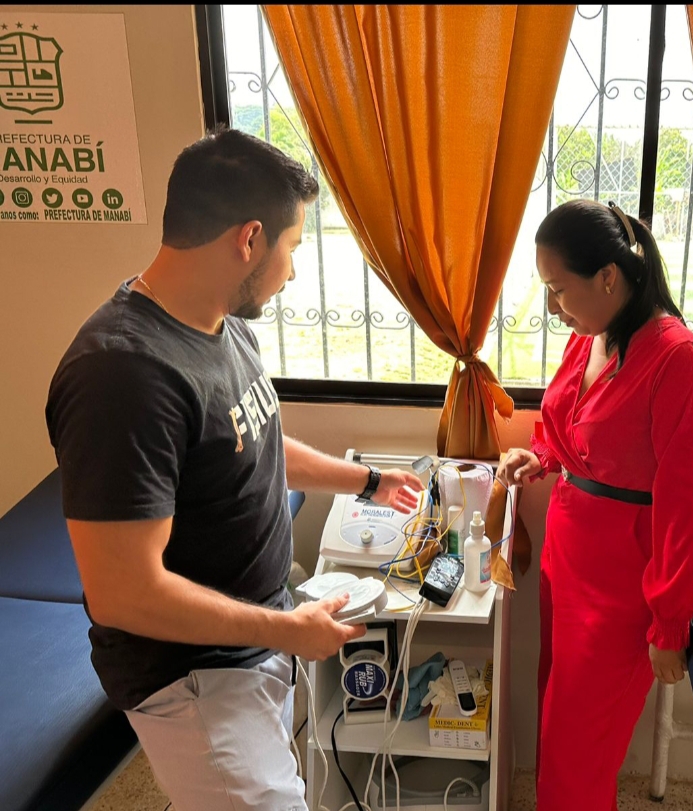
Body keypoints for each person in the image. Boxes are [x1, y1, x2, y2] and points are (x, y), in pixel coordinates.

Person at [45, 127, 423, 811]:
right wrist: (287, 630)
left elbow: (255, 443)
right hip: (193, 679)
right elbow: (124, 593)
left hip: (252, 637)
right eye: (293, 247)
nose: (293, 271)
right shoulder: (123, 374)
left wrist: (367, 481)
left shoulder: (223, 323)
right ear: (249, 239)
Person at [496, 199, 693, 811]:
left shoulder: (678, 360)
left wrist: (670, 622)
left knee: (578, 747)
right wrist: (540, 457)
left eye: (558, 289)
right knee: (555, 718)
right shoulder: (592, 337)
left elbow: (687, 502)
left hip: (622, 581)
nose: (552, 307)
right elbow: (577, 427)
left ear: (608, 277)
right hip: (568, 553)